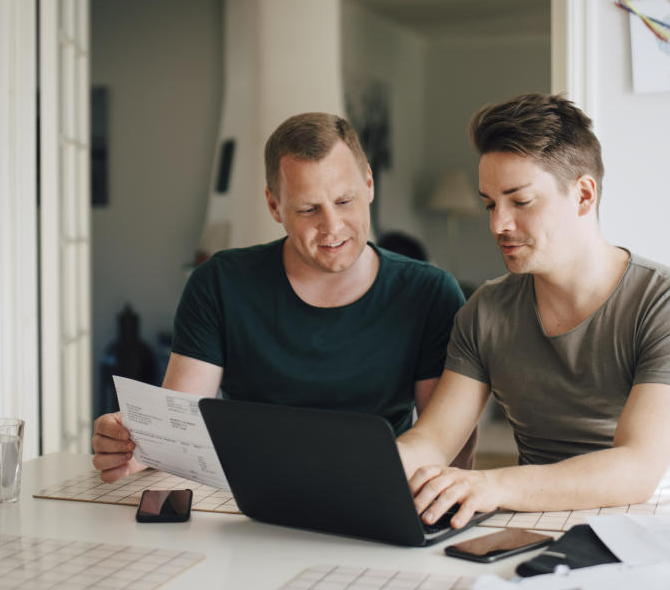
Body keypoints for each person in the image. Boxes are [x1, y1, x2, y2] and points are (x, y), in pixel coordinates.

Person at [92, 112, 472, 482]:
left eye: (344, 201)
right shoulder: (220, 284)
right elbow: (177, 433)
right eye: (309, 209)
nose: (332, 227)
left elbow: (447, 449)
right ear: (274, 205)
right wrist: (133, 444)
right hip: (250, 499)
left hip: (376, 490)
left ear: (369, 184)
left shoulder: (430, 294)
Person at [397, 93, 670, 529]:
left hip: (661, 528)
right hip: (534, 528)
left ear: (583, 195)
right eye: (490, 203)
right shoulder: (485, 311)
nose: (498, 225)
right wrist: (365, 471)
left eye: (520, 201)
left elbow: (637, 470)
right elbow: (434, 440)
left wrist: (492, 485)